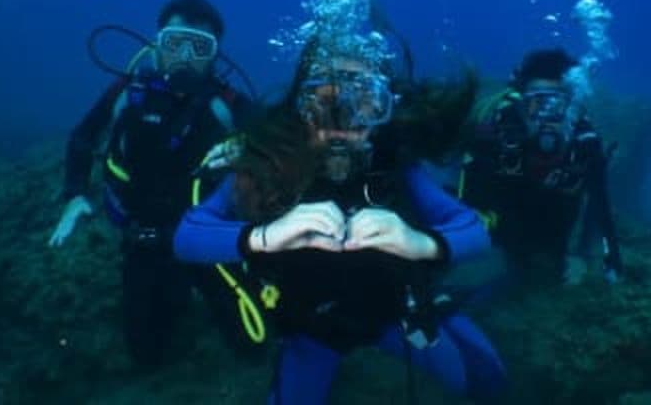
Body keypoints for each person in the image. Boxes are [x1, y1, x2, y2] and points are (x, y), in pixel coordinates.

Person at [174, 37, 506, 403]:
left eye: (364, 101)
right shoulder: (273, 163)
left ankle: (451, 309)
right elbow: (187, 236)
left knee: (485, 378)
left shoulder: (395, 164)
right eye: (326, 100)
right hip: (313, 329)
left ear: (384, 109)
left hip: (393, 314)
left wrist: (419, 241)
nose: (342, 121)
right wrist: (266, 236)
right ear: (302, 107)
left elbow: (474, 230)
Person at [48, 0, 256, 366]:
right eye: (176, 44)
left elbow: (275, 142)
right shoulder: (128, 92)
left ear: (215, 54)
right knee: (146, 353)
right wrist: (74, 194)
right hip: (142, 241)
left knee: (252, 345)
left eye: (200, 47)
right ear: (157, 43)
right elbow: (83, 136)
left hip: (209, 240)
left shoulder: (227, 103)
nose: (186, 58)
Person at [458, 48, 623, 286]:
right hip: (504, 225)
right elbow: (470, 200)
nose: (547, 114)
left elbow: (599, 207)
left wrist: (581, 255)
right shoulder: (496, 134)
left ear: (572, 106)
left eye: (558, 104)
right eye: (538, 102)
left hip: (557, 228)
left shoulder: (585, 144)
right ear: (521, 102)